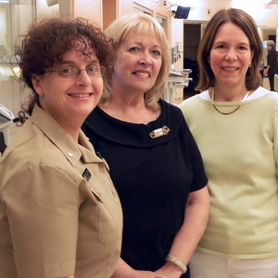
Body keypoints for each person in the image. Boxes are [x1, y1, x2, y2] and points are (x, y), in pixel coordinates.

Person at [180, 8, 278, 278]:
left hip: (264, 259)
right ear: (207, 53)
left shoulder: (277, 109)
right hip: (201, 254)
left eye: (241, 47)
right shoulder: (187, 113)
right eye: (221, 46)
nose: (231, 56)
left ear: (253, 54)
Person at [0, 17, 123, 278]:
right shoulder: (41, 167)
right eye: (67, 70)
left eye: (92, 68)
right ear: (38, 82)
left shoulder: (72, 140)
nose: (85, 80)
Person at [82, 13, 210, 278]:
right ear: (109, 57)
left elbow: (197, 200)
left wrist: (173, 267)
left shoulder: (173, 119)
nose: (146, 60)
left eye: (155, 52)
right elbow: (73, 219)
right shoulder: (84, 123)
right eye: (134, 49)